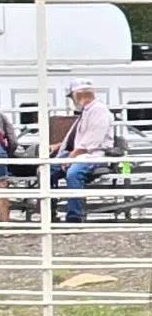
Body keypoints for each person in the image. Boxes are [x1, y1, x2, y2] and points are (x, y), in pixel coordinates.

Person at [51, 80, 114, 222]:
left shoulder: (98, 111)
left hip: (93, 154)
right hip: (81, 152)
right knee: (47, 170)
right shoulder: (87, 111)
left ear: (78, 96)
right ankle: (49, 210)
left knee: (73, 174)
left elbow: (94, 139)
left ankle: (74, 216)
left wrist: (72, 155)